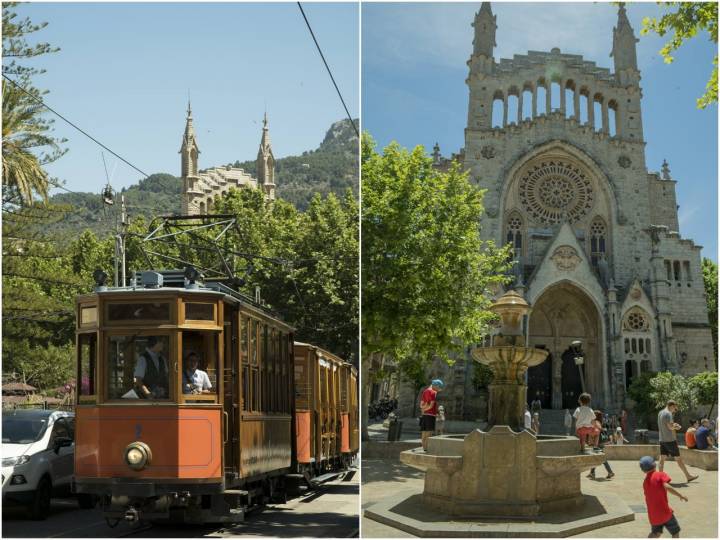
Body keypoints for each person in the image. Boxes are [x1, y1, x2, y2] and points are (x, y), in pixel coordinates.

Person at [639, 455, 687, 538]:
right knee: (675, 532)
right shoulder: (659, 475)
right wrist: (680, 495)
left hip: (653, 515)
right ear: (654, 464)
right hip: (665, 513)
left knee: (655, 533)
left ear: (643, 470)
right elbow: (667, 486)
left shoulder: (645, 482)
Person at [657, 400, 698, 482]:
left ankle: (660, 478)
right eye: (675, 408)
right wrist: (677, 427)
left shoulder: (660, 413)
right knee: (678, 459)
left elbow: (666, 425)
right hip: (670, 440)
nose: (675, 410)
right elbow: (670, 427)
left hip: (662, 439)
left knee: (662, 459)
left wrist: (674, 425)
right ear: (671, 406)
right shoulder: (668, 414)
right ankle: (688, 476)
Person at [587, 409, 614, 479]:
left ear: (595, 416)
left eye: (594, 414)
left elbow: (597, 431)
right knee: (595, 458)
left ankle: (610, 472)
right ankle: (592, 473)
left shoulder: (596, 422)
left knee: (601, 459)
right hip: (600, 443)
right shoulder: (599, 422)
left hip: (598, 443)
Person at [419, 379, 443, 451]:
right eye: (439, 388)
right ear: (435, 386)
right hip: (430, 415)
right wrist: (427, 409)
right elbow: (431, 405)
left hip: (425, 415)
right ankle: (427, 448)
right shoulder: (432, 392)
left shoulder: (425, 391)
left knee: (424, 432)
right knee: (429, 433)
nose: (439, 390)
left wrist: (423, 409)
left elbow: (421, 405)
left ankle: (424, 447)